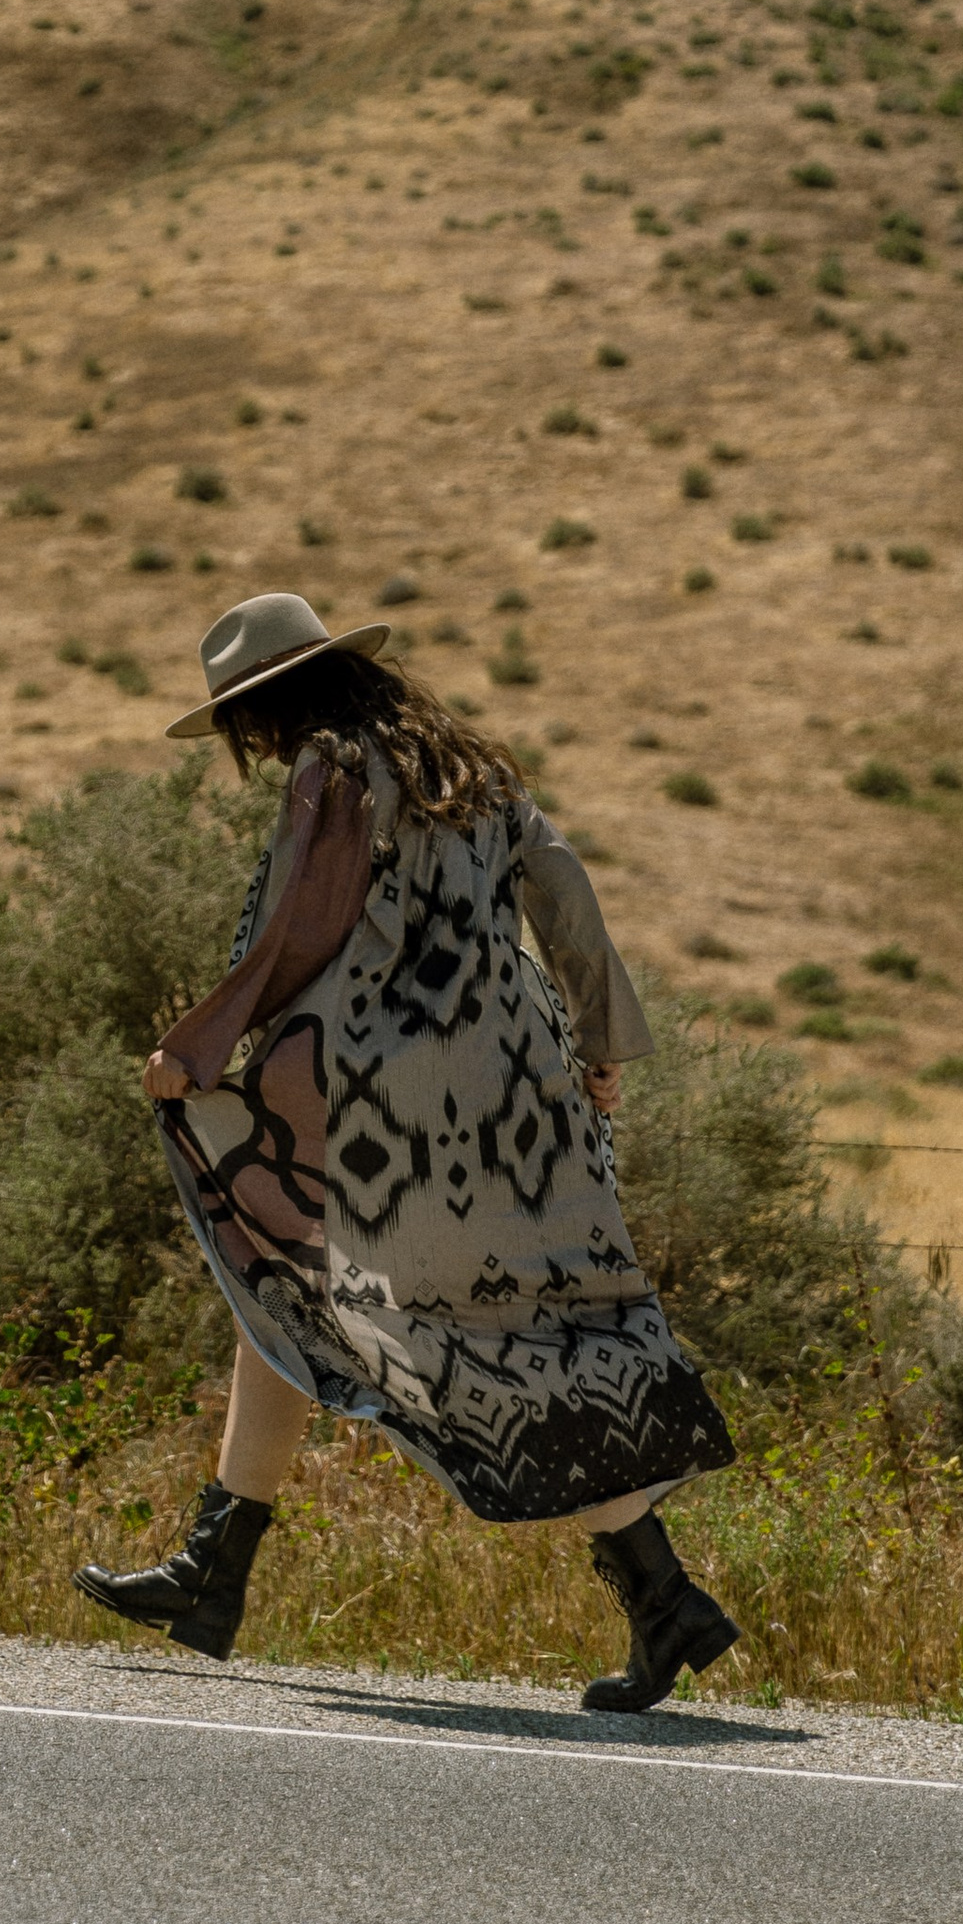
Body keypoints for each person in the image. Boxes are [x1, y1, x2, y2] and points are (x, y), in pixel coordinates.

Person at [75, 590, 740, 1712]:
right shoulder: (471, 769)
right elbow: (565, 895)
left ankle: (665, 1597)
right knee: (321, 1291)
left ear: (270, 704)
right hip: (511, 1099)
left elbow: (301, 926)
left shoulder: (330, 770)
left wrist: (200, 1047)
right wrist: (599, 1040)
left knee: (422, 1334)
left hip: (385, 1106)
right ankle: (214, 1569)